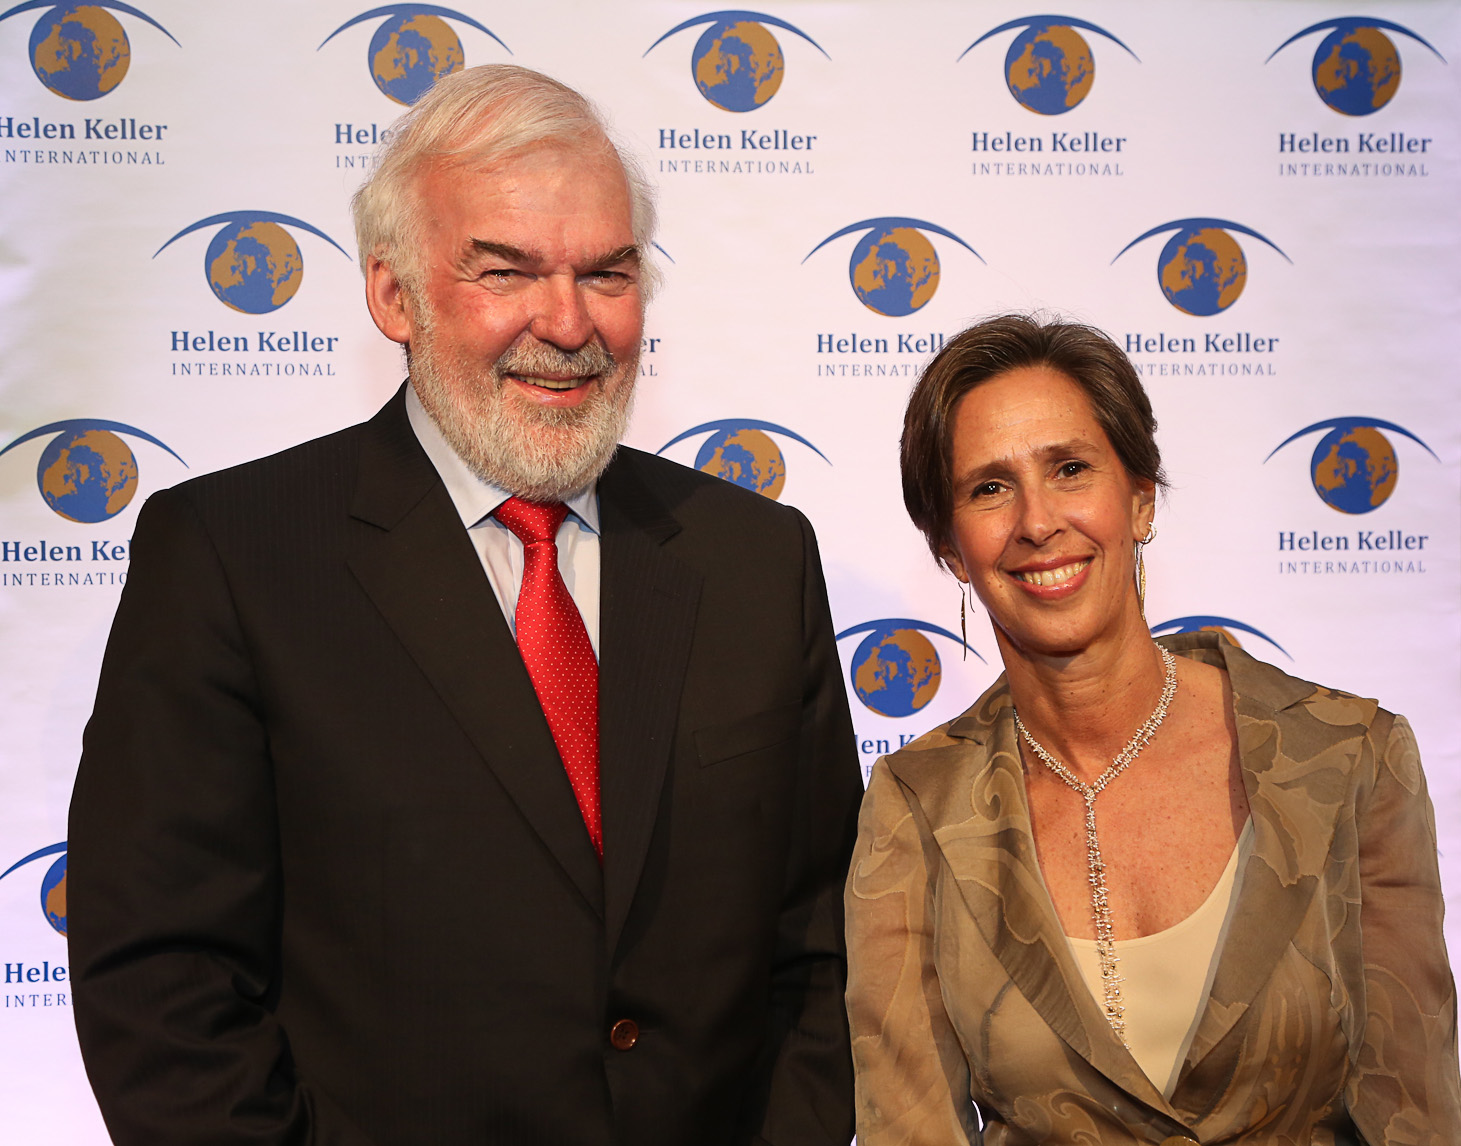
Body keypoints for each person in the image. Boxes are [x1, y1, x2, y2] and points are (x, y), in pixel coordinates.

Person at [69, 65, 862, 1146]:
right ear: (394, 295)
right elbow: (163, 986)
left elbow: (821, 952)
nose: (569, 322)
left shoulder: (758, 561)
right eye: (508, 271)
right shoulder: (231, 557)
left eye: (608, 274)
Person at [845, 314, 1461, 1144]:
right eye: (988, 488)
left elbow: (1416, 1112)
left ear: (1139, 499)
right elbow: (907, 1128)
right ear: (951, 548)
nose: (1036, 521)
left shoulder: (1349, 756)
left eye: (1069, 469)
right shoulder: (915, 809)